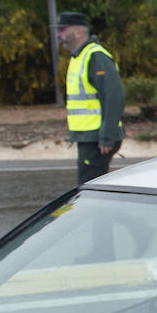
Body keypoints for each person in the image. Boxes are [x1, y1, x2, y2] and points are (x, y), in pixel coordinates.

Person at [56, 11, 124, 184]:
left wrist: (107, 136)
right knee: (92, 190)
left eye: (63, 29)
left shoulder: (95, 56)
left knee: (90, 190)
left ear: (78, 32)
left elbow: (114, 96)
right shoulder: (79, 57)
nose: (58, 34)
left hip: (97, 139)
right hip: (88, 137)